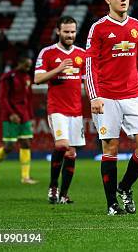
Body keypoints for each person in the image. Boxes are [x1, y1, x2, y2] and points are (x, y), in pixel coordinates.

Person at [85, 0, 138, 215]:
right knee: (111, 147)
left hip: (132, 95)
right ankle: (111, 205)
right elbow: (90, 64)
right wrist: (94, 96)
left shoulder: (136, 25)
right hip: (106, 97)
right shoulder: (98, 28)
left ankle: (125, 187)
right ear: (108, 0)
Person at [34, 16, 86, 204]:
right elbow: (38, 79)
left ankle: (64, 194)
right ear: (58, 31)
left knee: (71, 153)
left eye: (73, 31)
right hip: (57, 109)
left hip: (76, 110)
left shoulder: (82, 54)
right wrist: (59, 69)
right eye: (66, 32)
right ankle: (53, 185)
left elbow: (89, 80)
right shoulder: (47, 53)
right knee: (61, 145)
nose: (70, 35)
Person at [0, 56, 38, 184]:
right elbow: (3, 98)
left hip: (24, 115)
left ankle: (25, 177)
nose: (28, 68)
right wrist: (11, 113)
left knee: (26, 143)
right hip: (11, 115)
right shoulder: (8, 77)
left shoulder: (27, 78)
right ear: (19, 63)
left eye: (29, 66)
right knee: (9, 146)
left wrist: (31, 117)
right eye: (26, 65)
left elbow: (29, 98)